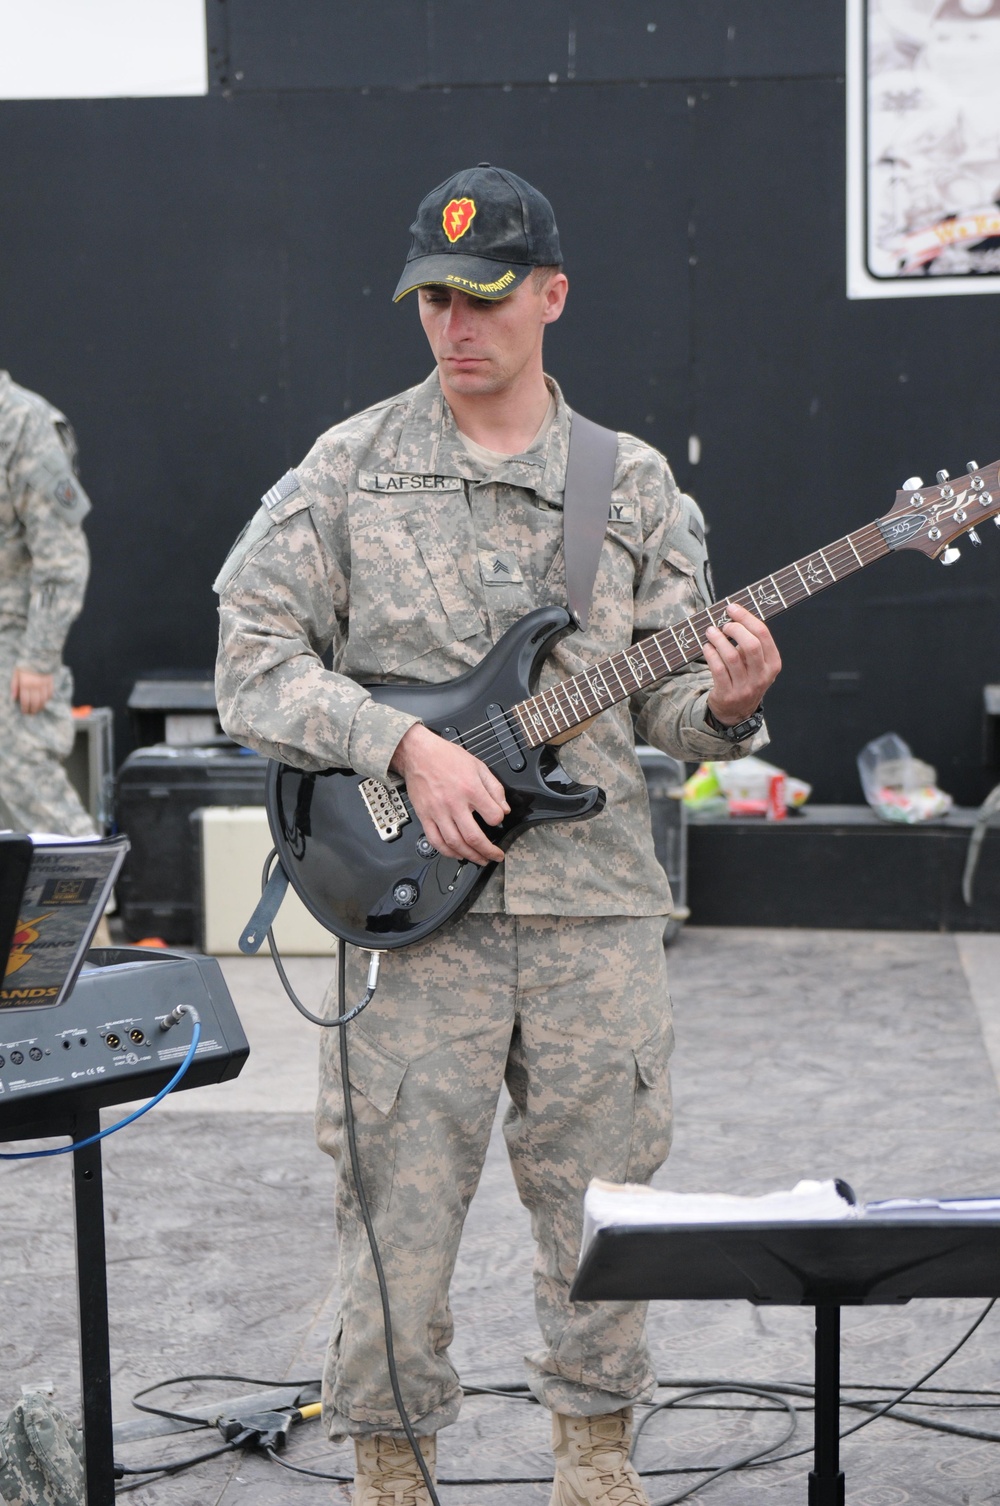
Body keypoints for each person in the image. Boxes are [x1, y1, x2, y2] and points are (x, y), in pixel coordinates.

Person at [215, 165, 781, 1506]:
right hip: (412, 925)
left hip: (593, 919)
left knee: (605, 1218)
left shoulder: (625, 483)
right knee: (394, 1227)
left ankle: (593, 1456)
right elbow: (249, 661)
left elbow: (662, 694)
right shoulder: (348, 468)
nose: (452, 324)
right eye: (431, 299)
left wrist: (732, 704)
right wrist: (400, 745)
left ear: (552, 296)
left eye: (481, 297)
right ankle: (392, 1467)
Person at [0, 371, 96, 839]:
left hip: (12, 639)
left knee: (22, 778)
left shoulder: (21, 424)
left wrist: (38, 658)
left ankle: (87, 904)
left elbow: (61, 556)